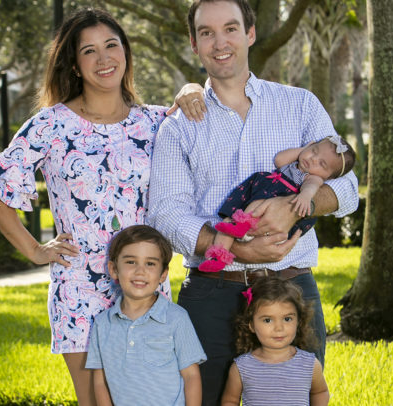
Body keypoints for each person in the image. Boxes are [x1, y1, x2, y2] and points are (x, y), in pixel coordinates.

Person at [0, 8, 203, 405]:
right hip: (79, 286)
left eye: (112, 45)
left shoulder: (155, 123)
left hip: (144, 283)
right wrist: (33, 249)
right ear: (75, 65)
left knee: (152, 395)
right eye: (89, 51)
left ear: (126, 53)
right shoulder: (50, 125)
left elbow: (205, 138)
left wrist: (190, 88)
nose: (104, 59)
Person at [147, 0, 359, 403]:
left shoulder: (300, 104)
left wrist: (301, 205)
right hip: (212, 294)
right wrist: (238, 248)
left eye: (230, 28)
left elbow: (348, 188)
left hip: (291, 288)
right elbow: (166, 214)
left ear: (250, 33)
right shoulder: (177, 126)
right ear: (194, 43)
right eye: (206, 33)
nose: (219, 42)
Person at [85, 225, 206, 405]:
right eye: (131, 262)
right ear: (113, 269)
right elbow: (100, 381)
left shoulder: (176, 318)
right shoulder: (103, 324)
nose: (140, 271)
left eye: (150, 263)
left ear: (163, 273)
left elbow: (191, 376)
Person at [200, 136, 356, 271]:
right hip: (258, 208)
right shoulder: (293, 163)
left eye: (322, 164)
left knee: (260, 202)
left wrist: (305, 196)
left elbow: (311, 187)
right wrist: (304, 150)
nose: (313, 159)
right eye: (314, 151)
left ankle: (243, 224)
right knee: (227, 223)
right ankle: (218, 258)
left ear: (328, 178)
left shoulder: (313, 178)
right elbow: (279, 159)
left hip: (269, 214)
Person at [221, 277, 329, 406]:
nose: (279, 328)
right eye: (268, 320)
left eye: (287, 319)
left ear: (298, 321)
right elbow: (230, 401)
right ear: (251, 325)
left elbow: (320, 392)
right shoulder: (242, 367)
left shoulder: (310, 364)